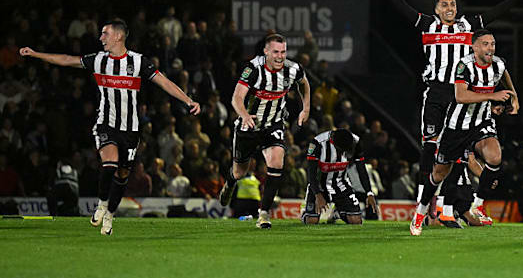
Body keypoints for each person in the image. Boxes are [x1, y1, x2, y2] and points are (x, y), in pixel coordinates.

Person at [19, 18, 200, 235]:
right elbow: (67, 60)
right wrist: (36, 54)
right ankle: (102, 204)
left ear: (118, 36)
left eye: (105, 33)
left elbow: (164, 82)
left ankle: (110, 214)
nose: (101, 37)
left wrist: (188, 100)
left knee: (122, 175)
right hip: (106, 123)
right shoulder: (98, 60)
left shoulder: (138, 61)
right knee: (110, 164)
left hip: (131, 129)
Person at [374, 0, 523, 209]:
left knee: (456, 149)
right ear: (437, 10)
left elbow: (495, 12)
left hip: (462, 94)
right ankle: (424, 200)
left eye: (452, 4)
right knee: (430, 143)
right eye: (444, 4)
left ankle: (450, 206)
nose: (449, 8)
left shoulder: (467, 25)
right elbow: (403, 9)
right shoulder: (428, 24)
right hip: (436, 92)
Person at [410, 29, 520, 235]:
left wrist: (514, 96)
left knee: (495, 157)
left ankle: (477, 205)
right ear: (474, 47)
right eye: (485, 44)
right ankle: (421, 211)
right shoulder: (464, 65)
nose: (490, 48)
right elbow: (461, 96)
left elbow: (504, 73)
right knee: (439, 173)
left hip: (482, 121)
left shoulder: (497, 64)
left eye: (493, 44)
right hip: (457, 126)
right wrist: (493, 96)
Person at [217, 33, 310, 229]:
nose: (280, 57)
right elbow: (236, 97)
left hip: (273, 124)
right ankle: (231, 182)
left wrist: (306, 108)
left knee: (277, 161)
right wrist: (244, 115)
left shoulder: (292, 69)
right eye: (275, 52)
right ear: (266, 51)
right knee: (240, 172)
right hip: (249, 124)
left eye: (283, 52)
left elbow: (304, 83)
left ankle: (264, 214)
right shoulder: (253, 69)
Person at [301, 128, 377, 225]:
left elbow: (361, 169)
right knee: (311, 221)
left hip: (341, 184)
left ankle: (337, 213)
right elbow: (311, 173)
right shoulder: (317, 143)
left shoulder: (356, 142)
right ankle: (305, 213)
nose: (342, 154)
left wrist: (369, 193)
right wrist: (317, 194)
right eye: (341, 150)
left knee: (356, 221)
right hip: (319, 186)